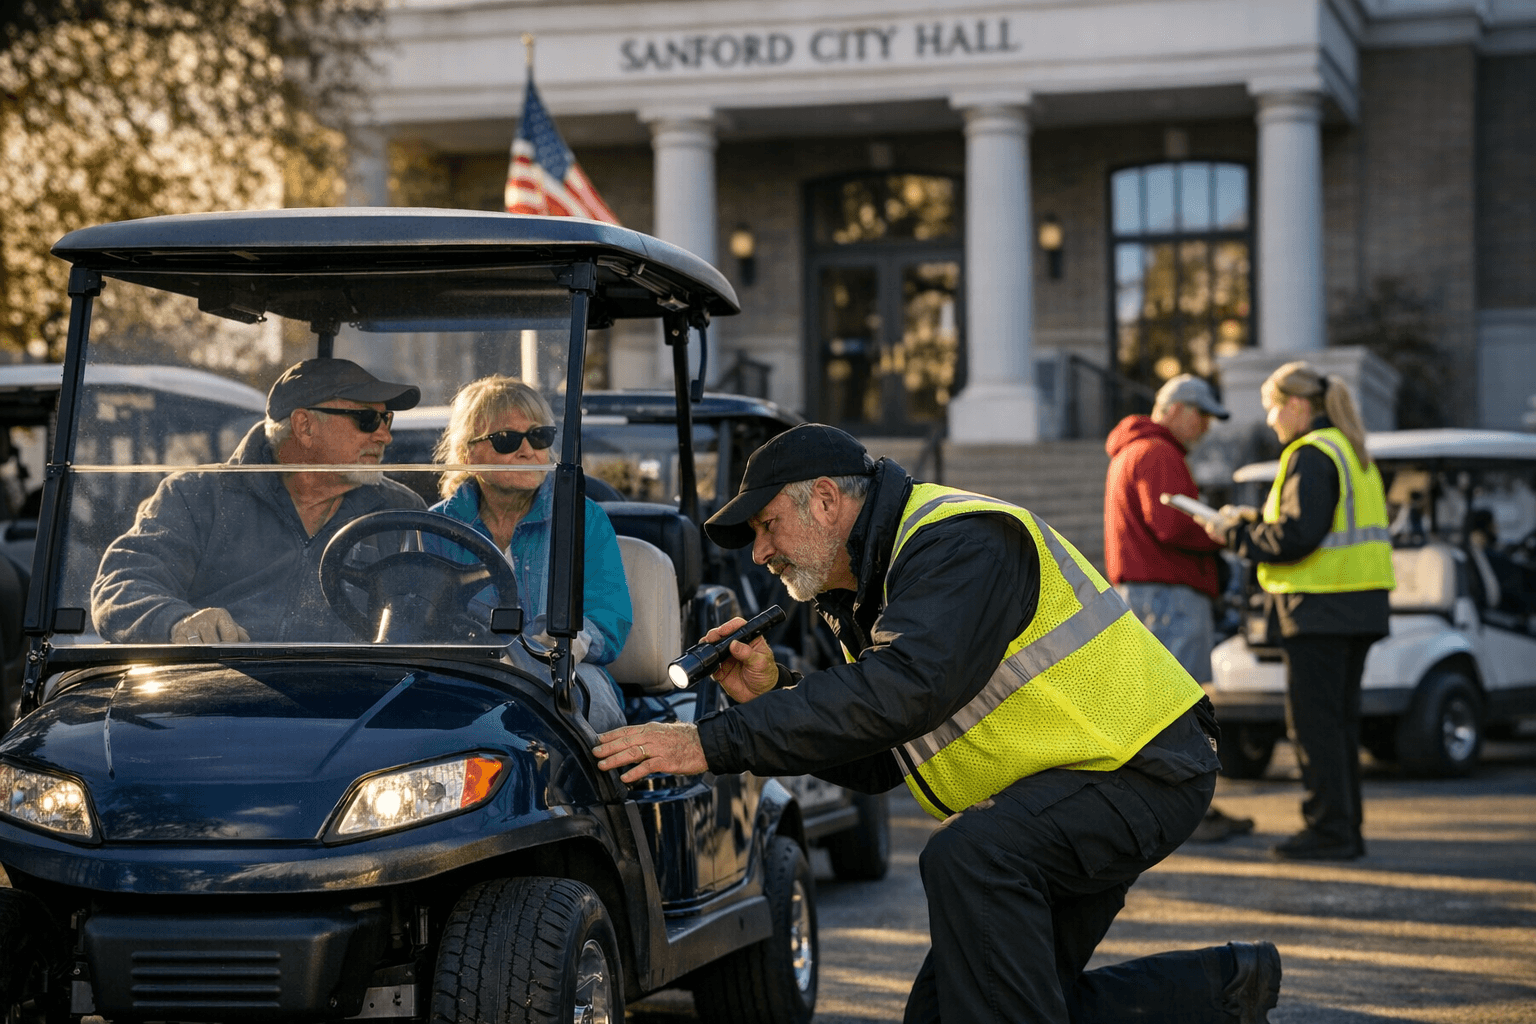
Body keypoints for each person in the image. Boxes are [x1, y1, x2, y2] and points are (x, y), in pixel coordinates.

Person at [593, 423, 1281, 1024]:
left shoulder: (959, 540)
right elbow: (883, 756)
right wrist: (776, 690)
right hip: (1085, 780)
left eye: (767, 526)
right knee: (955, 1008)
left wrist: (710, 742)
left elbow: (904, 691)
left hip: (1145, 765)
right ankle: (1225, 992)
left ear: (827, 500)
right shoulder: (869, 585)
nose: (759, 554)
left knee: (971, 859)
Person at [92, 358, 425, 643]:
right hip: (217, 701)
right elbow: (121, 585)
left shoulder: (401, 511)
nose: (384, 435)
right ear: (304, 426)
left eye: (387, 419)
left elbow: (435, 615)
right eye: (367, 420)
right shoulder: (196, 495)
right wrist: (177, 622)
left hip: (352, 702)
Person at [1205, 361, 1394, 861]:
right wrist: (1252, 521)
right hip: (1359, 602)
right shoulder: (1351, 451)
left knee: (1314, 727)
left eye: (1271, 407)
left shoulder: (1309, 454)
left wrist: (1236, 537)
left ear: (1295, 405)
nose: (1269, 420)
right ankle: (1344, 828)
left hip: (1320, 608)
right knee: (1339, 725)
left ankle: (1329, 831)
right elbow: (1310, 523)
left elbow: (1296, 536)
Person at [427, 375, 631, 731]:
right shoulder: (434, 526)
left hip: (562, 675)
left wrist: (576, 639)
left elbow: (609, 616)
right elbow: (414, 618)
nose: (528, 451)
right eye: (506, 440)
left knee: (576, 702)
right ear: (467, 453)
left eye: (539, 437)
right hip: (466, 678)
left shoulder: (583, 519)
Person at [1105, 373, 1253, 843]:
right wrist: (1219, 530)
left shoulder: (1134, 451)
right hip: (1169, 595)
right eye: (1202, 415)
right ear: (1177, 409)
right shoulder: (1158, 452)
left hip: (1149, 594)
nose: (1206, 426)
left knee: (1153, 705)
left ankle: (1160, 805)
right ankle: (1186, 810)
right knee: (1179, 706)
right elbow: (1170, 525)